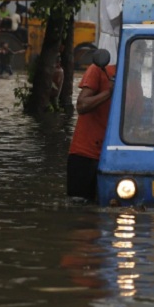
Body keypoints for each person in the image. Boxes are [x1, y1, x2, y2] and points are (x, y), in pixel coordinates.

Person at [67, 60, 116, 201]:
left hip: (115, 154)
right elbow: (81, 105)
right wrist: (109, 92)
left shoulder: (135, 79)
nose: (141, 57)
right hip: (86, 153)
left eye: (144, 53)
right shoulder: (99, 70)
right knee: (79, 206)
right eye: (138, 51)